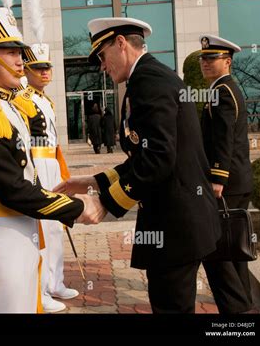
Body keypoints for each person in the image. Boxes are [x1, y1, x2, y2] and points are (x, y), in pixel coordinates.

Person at [0, 0, 105, 313]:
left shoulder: (7, 107)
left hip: (20, 229)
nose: (20, 61)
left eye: (19, 52)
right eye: (9, 53)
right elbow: (11, 188)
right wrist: (75, 207)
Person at [55, 17, 221, 313]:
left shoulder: (148, 81)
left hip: (177, 224)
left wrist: (104, 203)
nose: (102, 67)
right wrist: (94, 181)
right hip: (175, 221)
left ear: (120, 44)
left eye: (102, 56)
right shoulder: (147, 77)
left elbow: (157, 159)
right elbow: (144, 155)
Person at [17, 40, 79, 313]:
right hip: (36, 163)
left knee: (55, 227)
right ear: (27, 70)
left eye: (47, 67)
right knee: (41, 227)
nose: (44, 72)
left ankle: (56, 282)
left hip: (51, 162)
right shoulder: (21, 99)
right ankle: (40, 292)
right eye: (37, 68)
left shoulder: (47, 100)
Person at [198, 34, 255, 314]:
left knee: (219, 249)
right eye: (203, 58)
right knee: (234, 249)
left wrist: (217, 178)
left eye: (212, 58)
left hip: (227, 184)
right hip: (237, 181)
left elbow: (224, 138)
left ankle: (236, 310)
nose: (205, 62)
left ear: (228, 61)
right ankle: (243, 303)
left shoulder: (223, 91)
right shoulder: (224, 88)